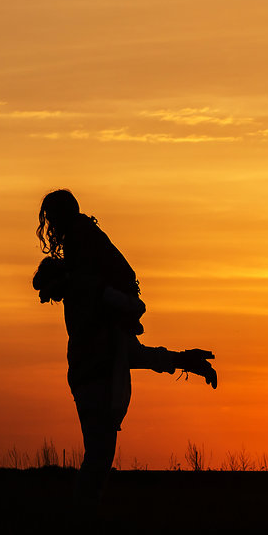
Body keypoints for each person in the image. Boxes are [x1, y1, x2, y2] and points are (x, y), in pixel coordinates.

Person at [33, 189, 216, 505]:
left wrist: (187, 361)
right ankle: (80, 522)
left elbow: (139, 350)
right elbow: (139, 339)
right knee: (98, 460)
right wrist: (187, 361)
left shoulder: (89, 291)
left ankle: (80, 521)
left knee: (98, 459)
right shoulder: (92, 291)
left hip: (87, 377)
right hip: (93, 380)